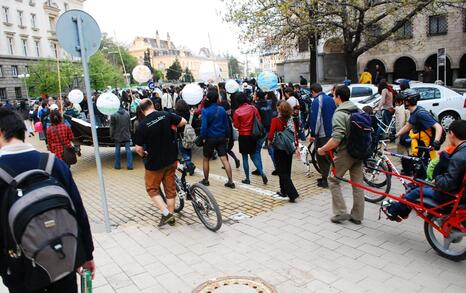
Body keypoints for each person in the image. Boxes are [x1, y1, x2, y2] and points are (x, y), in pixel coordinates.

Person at [0, 108, 95, 292]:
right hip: (63, 260)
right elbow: (78, 211)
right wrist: (86, 255)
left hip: (21, 272)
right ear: (23, 132)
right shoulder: (54, 164)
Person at [385, 119, 466, 221]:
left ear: (452, 134)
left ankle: (394, 211)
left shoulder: (458, 157)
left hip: (451, 196)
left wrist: (437, 179)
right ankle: (400, 210)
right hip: (460, 193)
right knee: (418, 186)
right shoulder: (462, 151)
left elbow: (449, 183)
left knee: (417, 190)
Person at [134, 99, 187, 226]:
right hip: (171, 159)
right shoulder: (165, 115)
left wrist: (143, 154)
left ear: (141, 110)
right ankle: (171, 216)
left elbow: (138, 148)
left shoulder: (142, 126)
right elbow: (183, 121)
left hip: (155, 163)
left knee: (152, 188)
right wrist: (172, 127)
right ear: (152, 105)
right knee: (170, 190)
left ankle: (166, 214)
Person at [318, 85, 365, 225]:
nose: (333, 98)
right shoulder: (357, 109)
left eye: (333, 96)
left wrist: (323, 149)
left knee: (333, 180)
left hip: (346, 153)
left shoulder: (339, 113)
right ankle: (357, 215)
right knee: (358, 184)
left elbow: (337, 139)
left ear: (338, 97)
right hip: (359, 151)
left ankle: (340, 212)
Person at [199, 88, 235, 188]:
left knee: (206, 159)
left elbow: (204, 127)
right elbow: (226, 125)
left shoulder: (205, 111)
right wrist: (227, 136)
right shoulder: (222, 109)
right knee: (224, 159)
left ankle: (206, 180)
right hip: (221, 137)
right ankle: (231, 181)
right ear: (216, 99)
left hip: (210, 138)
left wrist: (203, 137)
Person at [395, 89, 443, 161]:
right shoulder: (414, 112)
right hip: (419, 144)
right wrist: (396, 135)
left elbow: (438, 126)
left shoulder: (421, 114)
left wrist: (436, 141)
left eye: (404, 101)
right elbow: (408, 125)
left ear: (409, 101)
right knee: (409, 163)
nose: (403, 103)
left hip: (426, 145)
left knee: (420, 166)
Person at [233, 93, 268, 185]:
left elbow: (236, 125)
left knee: (245, 158)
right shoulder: (253, 108)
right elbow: (259, 119)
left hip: (243, 136)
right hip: (253, 135)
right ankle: (262, 173)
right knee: (253, 155)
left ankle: (247, 179)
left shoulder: (237, 112)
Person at [268, 100, 299, 202]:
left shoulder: (275, 120)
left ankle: (292, 193)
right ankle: (283, 191)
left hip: (279, 148)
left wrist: (269, 143)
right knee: (287, 169)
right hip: (289, 147)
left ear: (279, 109)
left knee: (281, 171)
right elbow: (295, 133)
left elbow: (271, 135)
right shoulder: (291, 120)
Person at [308, 83, 336, 188]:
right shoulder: (330, 99)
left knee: (322, 156)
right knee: (329, 155)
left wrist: (313, 134)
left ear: (313, 91)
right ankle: (327, 176)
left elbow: (316, 119)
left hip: (322, 133)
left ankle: (325, 179)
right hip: (331, 132)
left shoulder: (317, 101)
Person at [252, 90, 273, 176]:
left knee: (256, 150)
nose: (253, 95)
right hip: (270, 128)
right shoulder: (269, 103)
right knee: (271, 148)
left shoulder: (255, 106)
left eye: (254, 95)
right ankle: (277, 167)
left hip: (261, 131)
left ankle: (259, 169)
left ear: (257, 97)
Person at [174, 99, 197, 175]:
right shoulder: (190, 113)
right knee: (188, 150)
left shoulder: (175, 114)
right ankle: (187, 166)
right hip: (189, 135)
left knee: (183, 151)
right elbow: (194, 123)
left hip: (181, 135)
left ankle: (190, 165)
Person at [110, 105, 133, 170]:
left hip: (117, 135)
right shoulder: (127, 114)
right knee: (128, 150)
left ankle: (117, 166)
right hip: (126, 134)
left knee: (117, 150)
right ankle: (130, 165)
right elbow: (130, 125)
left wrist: (111, 135)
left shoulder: (113, 115)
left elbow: (112, 127)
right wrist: (130, 133)